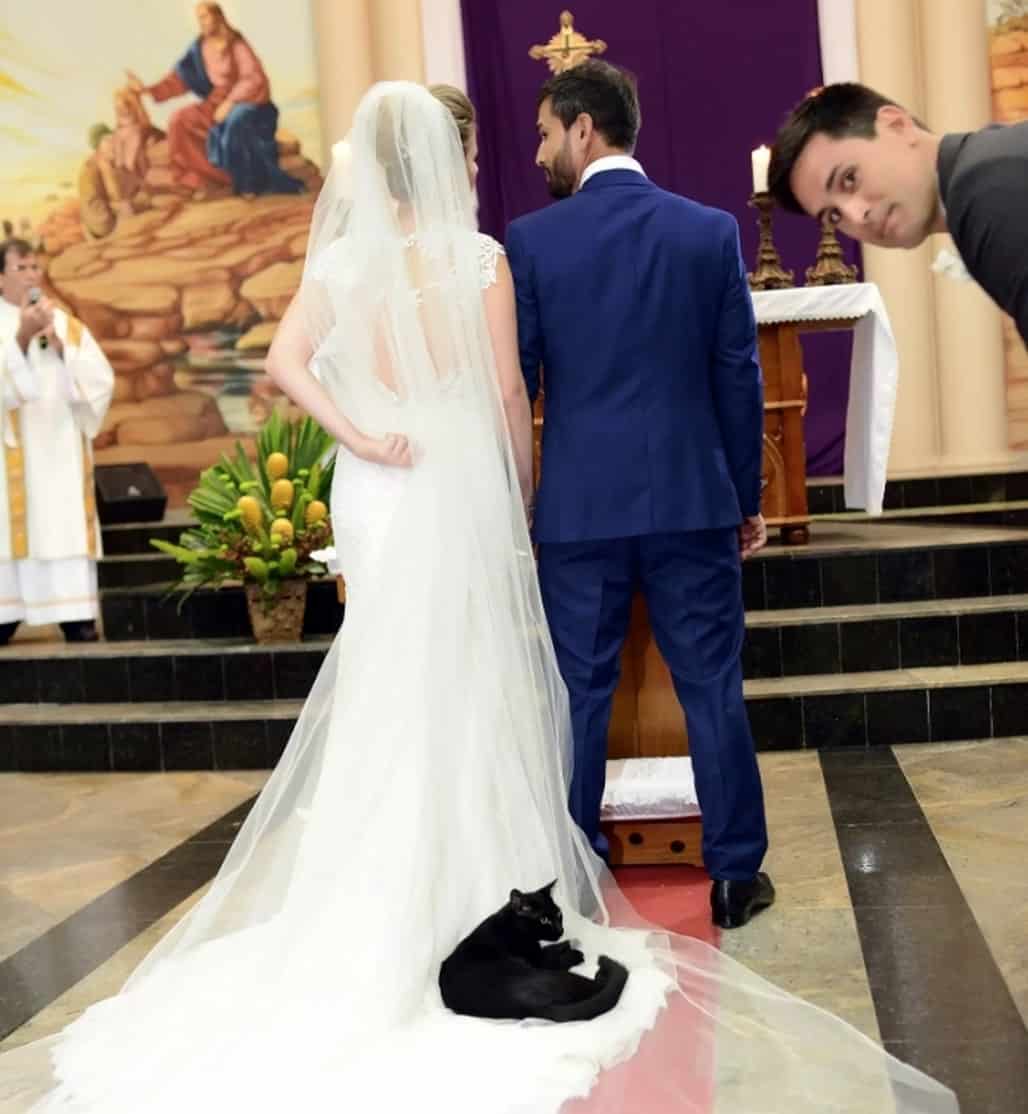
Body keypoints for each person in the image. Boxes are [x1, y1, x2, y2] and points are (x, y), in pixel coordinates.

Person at [0, 83, 958, 1114]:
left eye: (545, 130)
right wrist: (685, 493)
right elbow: (637, 377)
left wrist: (442, 464)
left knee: (521, 689)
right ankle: (725, 869)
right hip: (615, 494)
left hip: (476, 500)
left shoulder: (489, 249)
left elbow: (441, 375)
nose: (519, 151)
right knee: (686, 681)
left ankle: (539, 868)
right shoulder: (667, 234)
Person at [505, 60, 772, 929]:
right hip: (693, 499)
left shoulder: (534, 242)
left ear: (586, 129)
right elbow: (738, 376)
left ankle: (573, 876)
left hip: (579, 510)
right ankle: (734, 877)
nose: (542, 148)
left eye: (548, 131)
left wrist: (527, 499)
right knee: (711, 687)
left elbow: (523, 379)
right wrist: (744, 497)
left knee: (578, 694)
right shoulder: (708, 231)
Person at [768, 81, 1028, 348]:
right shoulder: (988, 161)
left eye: (849, 179)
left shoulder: (982, 189)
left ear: (896, 125)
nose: (857, 217)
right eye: (834, 216)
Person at [0, 239, 114, 646]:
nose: (32, 275)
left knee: (59, 523)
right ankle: (8, 611)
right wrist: (20, 340)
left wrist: (63, 350)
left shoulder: (63, 323)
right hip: (10, 456)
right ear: (1, 276)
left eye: (35, 267)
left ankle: (73, 613)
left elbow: (100, 381)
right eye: (21, 268)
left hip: (59, 450)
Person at [126, 2, 303, 198]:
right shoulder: (199, 47)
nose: (200, 22)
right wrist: (147, 90)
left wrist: (230, 103)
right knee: (179, 120)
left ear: (217, 17)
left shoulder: (236, 43)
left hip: (248, 101)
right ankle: (208, 179)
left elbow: (254, 78)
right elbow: (178, 79)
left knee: (235, 123)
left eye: (204, 17)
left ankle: (246, 182)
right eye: (198, 18)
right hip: (215, 101)